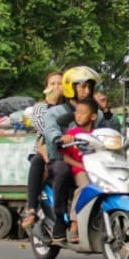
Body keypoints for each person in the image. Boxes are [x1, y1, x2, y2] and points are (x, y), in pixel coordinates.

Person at [43, 66, 108, 242]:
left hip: (93, 162)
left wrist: (108, 113)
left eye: (89, 87)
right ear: (71, 88)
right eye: (82, 86)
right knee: (65, 173)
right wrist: (57, 138)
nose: (87, 91)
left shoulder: (98, 114)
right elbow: (49, 130)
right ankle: (65, 221)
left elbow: (110, 130)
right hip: (63, 159)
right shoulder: (55, 112)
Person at [21, 72, 64, 229]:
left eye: (60, 83)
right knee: (38, 162)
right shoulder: (39, 107)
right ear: (46, 88)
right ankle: (31, 207)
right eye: (52, 84)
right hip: (43, 147)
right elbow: (44, 128)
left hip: (64, 149)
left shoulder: (68, 107)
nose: (56, 87)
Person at [58, 97, 99, 243]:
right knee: (85, 187)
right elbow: (64, 158)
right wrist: (80, 166)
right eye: (77, 112)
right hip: (78, 170)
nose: (78, 115)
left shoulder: (98, 135)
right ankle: (74, 224)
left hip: (97, 170)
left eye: (83, 113)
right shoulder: (72, 134)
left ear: (93, 116)